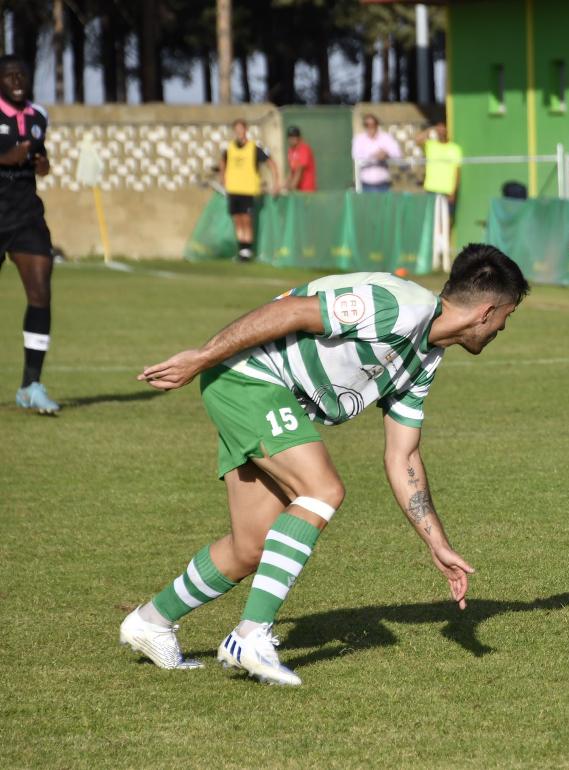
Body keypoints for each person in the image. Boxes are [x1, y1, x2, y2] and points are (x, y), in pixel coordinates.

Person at [118, 245, 530, 686]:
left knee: (251, 546)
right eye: (507, 316)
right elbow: (293, 312)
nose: (504, 327)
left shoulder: (425, 358)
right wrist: (202, 356)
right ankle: (250, 636)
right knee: (322, 489)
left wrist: (436, 542)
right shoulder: (399, 307)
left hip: (262, 394)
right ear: (487, 311)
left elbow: (402, 454)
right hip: (250, 379)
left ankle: (150, 621)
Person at [0, 55, 58, 414]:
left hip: (25, 213)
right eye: (9, 75)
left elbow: (44, 161)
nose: (17, 79)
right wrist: (8, 157)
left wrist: (41, 163)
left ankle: (31, 386)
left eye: (22, 74)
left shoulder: (39, 114)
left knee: (40, 293)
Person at [221, 119, 281, 262]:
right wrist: (222, 177)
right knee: (237, 219)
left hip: (247, 190)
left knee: (246, 219)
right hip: (233, 189)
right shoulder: (230, 147)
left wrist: (276, 182)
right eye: (236, 129)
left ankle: (247, 250)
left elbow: (271, 163)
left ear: (245, 130)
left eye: (241, 128)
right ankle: (241, 249)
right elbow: (222, 161)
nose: (239, 132)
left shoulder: (254, 148)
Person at [422, 120, 463, 221]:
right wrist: (431, 129)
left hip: (447, 191)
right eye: (438, 128)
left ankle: (446, 237)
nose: (441, 131)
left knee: (447, 219)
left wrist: (453, 191)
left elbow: (457, 171)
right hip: (431, 189)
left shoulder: (455, 149)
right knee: (432, 219)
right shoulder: (430, 145)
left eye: (443, 128)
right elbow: (417, 140)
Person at [352, 113, 401, 192]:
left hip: (383, 184)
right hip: (366, 184)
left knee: (384, 204)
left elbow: (397, 154)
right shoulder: (359, 139)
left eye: (373, 124)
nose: (370, 127)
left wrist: (387, 154)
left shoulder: (386, 137)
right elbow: (356, 156)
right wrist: (374, 156)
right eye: (367, 124)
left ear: (377, 125)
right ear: (364, 126)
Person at [285, 126, 317, 193]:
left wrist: (292, 186)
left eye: (294, 137)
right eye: (290, 137)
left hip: (307, 189)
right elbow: (291, 171)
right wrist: (285, 185)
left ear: (299, 138)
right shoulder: (291, 151)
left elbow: (299, 169)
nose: (291, 139)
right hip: (298, 190)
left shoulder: (304, 149)